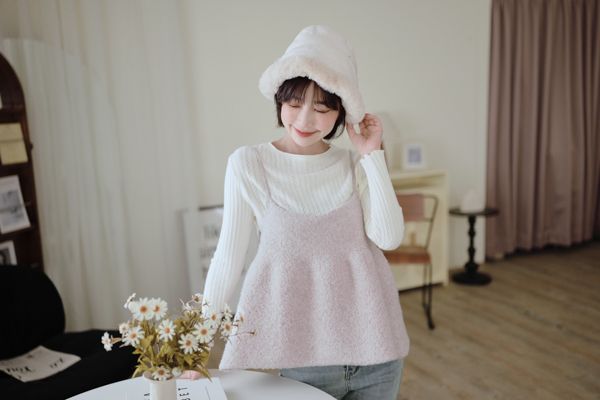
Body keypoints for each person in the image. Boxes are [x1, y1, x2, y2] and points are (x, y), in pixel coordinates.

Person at [202, 25, 409, 399]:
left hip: (378, 352)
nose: (304, 120)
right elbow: (227, 260)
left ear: (340, 112)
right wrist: (195, 343)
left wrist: (372, 155)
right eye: (295, 104)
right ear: (279, 100)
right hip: (305, 359)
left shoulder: (356, 165)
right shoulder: (249, 164)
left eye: (322, 108)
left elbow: (389, 238)